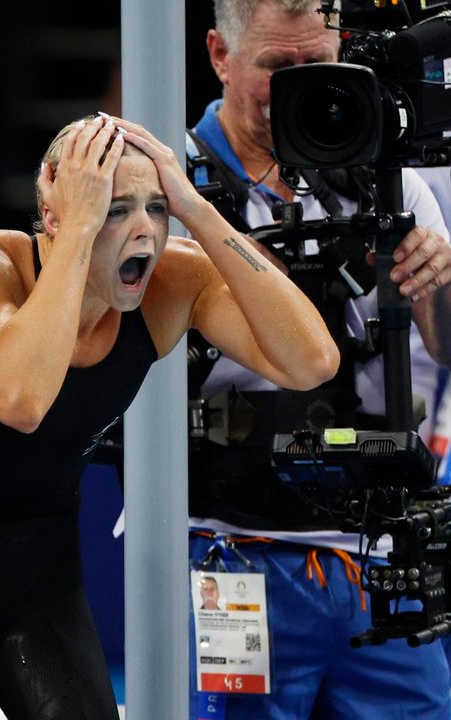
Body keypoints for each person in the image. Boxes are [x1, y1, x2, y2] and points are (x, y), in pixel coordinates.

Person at [0, 112, 339, 719]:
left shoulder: (172, 280)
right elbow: (21, 401)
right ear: (55, 212)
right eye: (115, 208)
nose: (144, 232)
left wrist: (198, 212)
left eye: (156, 207)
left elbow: (312, 361)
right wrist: (75, 230)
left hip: (36, 579)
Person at [184, 1, 451, 718]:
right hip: (230, 554)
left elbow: (448, 347)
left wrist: (439, 286)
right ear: (220, 55)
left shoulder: (389, 179)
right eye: (277, 68)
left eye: (317, 67)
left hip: (381, 563)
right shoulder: (174, 188)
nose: (300, 88)